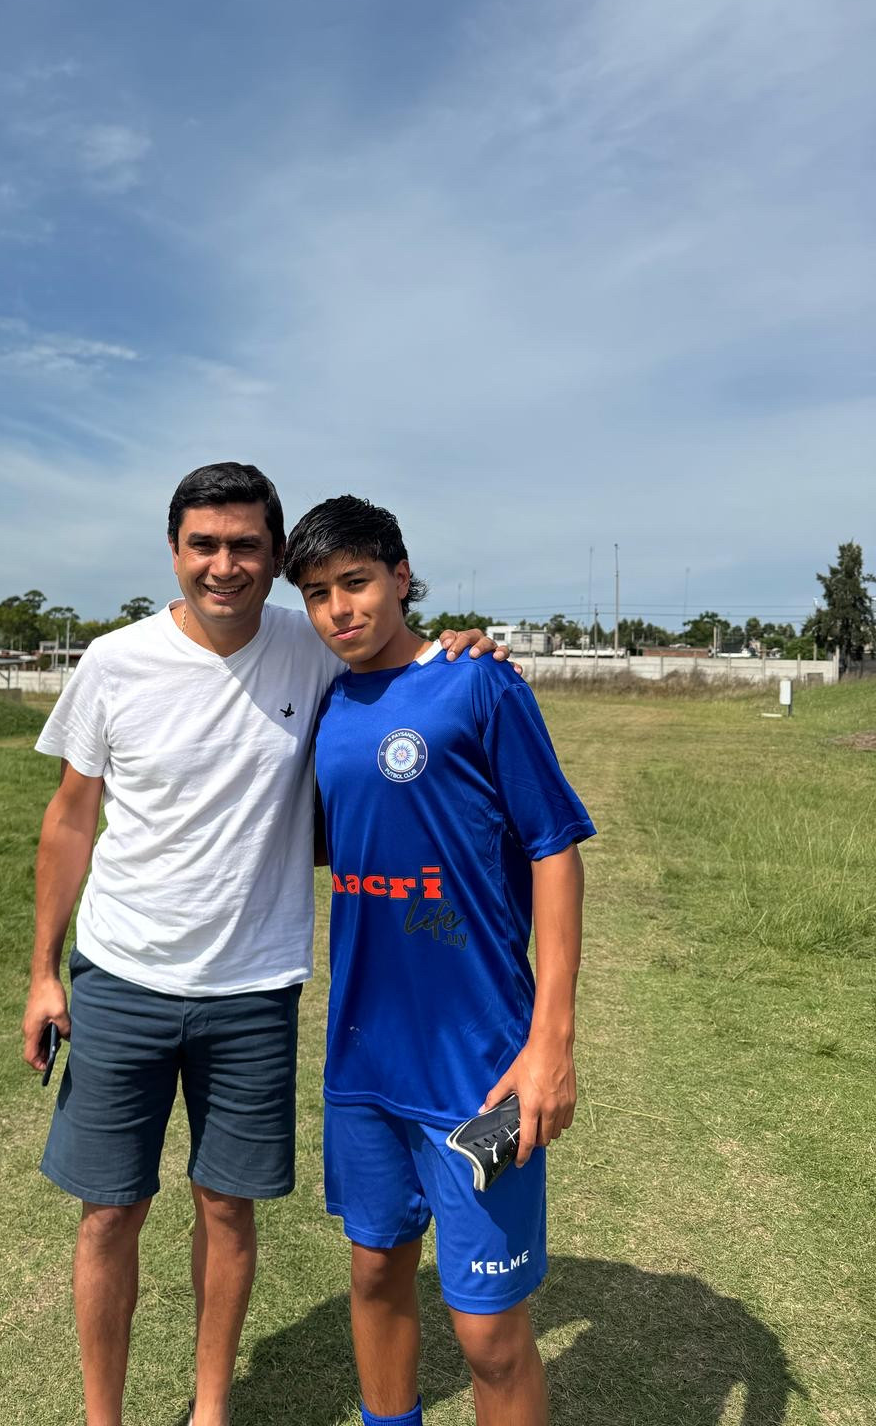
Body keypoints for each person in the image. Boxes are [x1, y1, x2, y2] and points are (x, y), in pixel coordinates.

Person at [20, 463, 506, 1426]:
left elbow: (400, 665)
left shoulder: (310, 645)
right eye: (203, 544)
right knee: (110, 1211)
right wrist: (42, 972)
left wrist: (469, 648)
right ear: (173, 551)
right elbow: (71, 820)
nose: (224, 565)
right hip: (121, 974)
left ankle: (211, 1412)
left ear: (275, 556)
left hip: (253, 988)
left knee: (226, 1206)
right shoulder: (114, 661)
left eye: (245, 545)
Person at [283, 494, 595, 1426]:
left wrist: (551, 1042)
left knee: (488, 1333)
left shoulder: (478, 684)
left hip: (478, 1066)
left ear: (401, 575)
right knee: (376, 1275)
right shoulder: (330, 705)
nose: (339, 609)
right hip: (365, 1062)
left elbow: (554, 850)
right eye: (317, 594)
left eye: (356, 582)